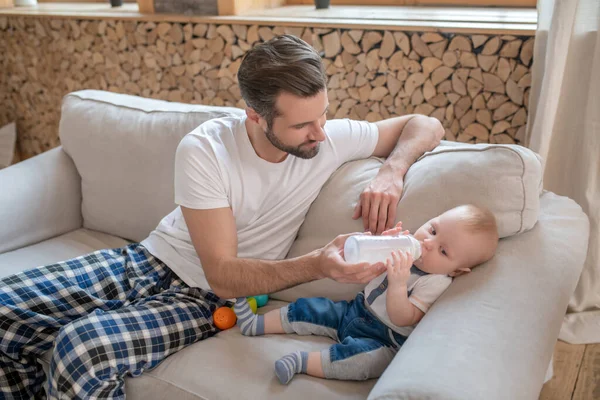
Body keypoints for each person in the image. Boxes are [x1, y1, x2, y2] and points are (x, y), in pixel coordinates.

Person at [0, 34, 444, 399]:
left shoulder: (329, 140)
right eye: (302, 125)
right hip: (150, 261)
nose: (320, 133)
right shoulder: (205, 148)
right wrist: (316, 264)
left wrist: (392, 169)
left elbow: (425, 124)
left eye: (323, 113)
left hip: (206, 301)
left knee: (80, 351)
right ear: (255, 115)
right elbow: (224, 271)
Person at [234, 205, 499, 384]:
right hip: (355, 310)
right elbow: (369, 268)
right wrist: (383, 245)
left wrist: (398, 283)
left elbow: (404, 317)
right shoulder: (405, 249)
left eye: (443, 251)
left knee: (360, 360)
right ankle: (254, 324)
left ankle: (302, 362)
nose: (427, 244)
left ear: (457, 270)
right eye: (432, 230)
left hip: (382, 339)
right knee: (312, 308)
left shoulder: (436, 282)